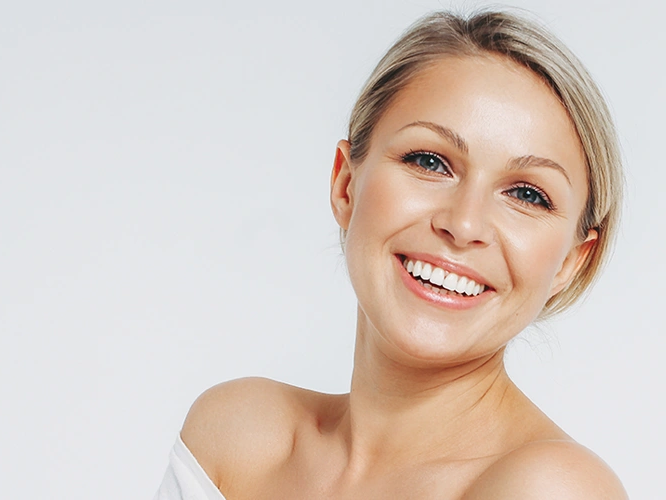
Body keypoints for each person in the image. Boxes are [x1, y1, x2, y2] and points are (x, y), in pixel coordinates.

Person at [156, 9, 627, 499]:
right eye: (429, 161)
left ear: (572, 263)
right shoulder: (240, 437)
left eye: (527, 194)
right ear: (346, 184)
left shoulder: (551, 487)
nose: (463, 224)